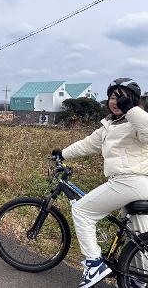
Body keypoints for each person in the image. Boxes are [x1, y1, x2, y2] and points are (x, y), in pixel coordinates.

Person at [52, 78, 148, 288]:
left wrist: (131, 110)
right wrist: (63, 153)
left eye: (121, 97)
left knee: (82, 210)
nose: (115, 101)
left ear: (132, 100)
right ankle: (139, 280)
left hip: (130, 181)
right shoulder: (109, 125)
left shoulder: (136, 122)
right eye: (113, 96)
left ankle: (94, 263)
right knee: (139, 239)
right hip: (130, 185)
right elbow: (87, 145)